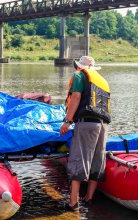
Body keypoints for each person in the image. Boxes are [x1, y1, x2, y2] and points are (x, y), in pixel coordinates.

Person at [60, 56, 111, 211]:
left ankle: (73, 203)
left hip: (86, 123)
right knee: (97, 160)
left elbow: (76, 97)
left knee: (78, 159)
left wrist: (67, 121)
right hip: (102, 125)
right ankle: (89, 198)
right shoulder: (101, 80)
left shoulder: (78, 75)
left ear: (79, 66)